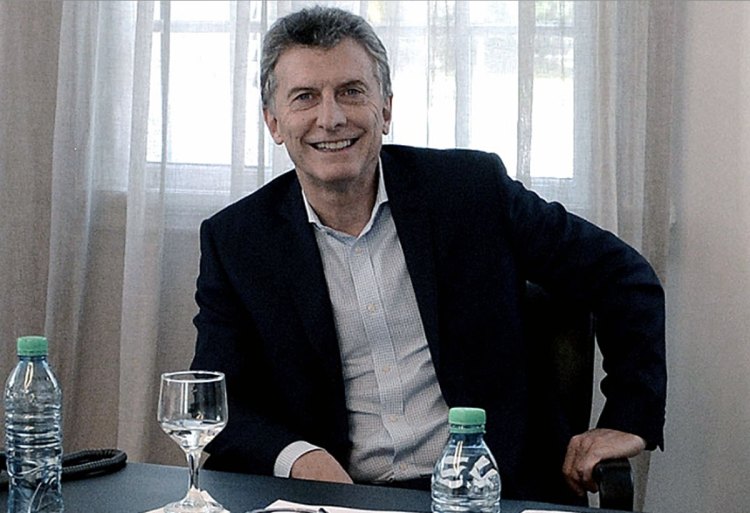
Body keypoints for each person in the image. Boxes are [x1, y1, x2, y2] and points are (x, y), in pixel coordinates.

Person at [190, 5, 666, 506]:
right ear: (274, 122)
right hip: (334, 498)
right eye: (305, 97)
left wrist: (627, 418)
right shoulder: (237, 241)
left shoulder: (471, 192)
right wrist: (298, 458)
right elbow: (218, 401)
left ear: (386, 109)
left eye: (351, 92)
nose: (331, 118)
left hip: (491, 494)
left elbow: (622, 276)